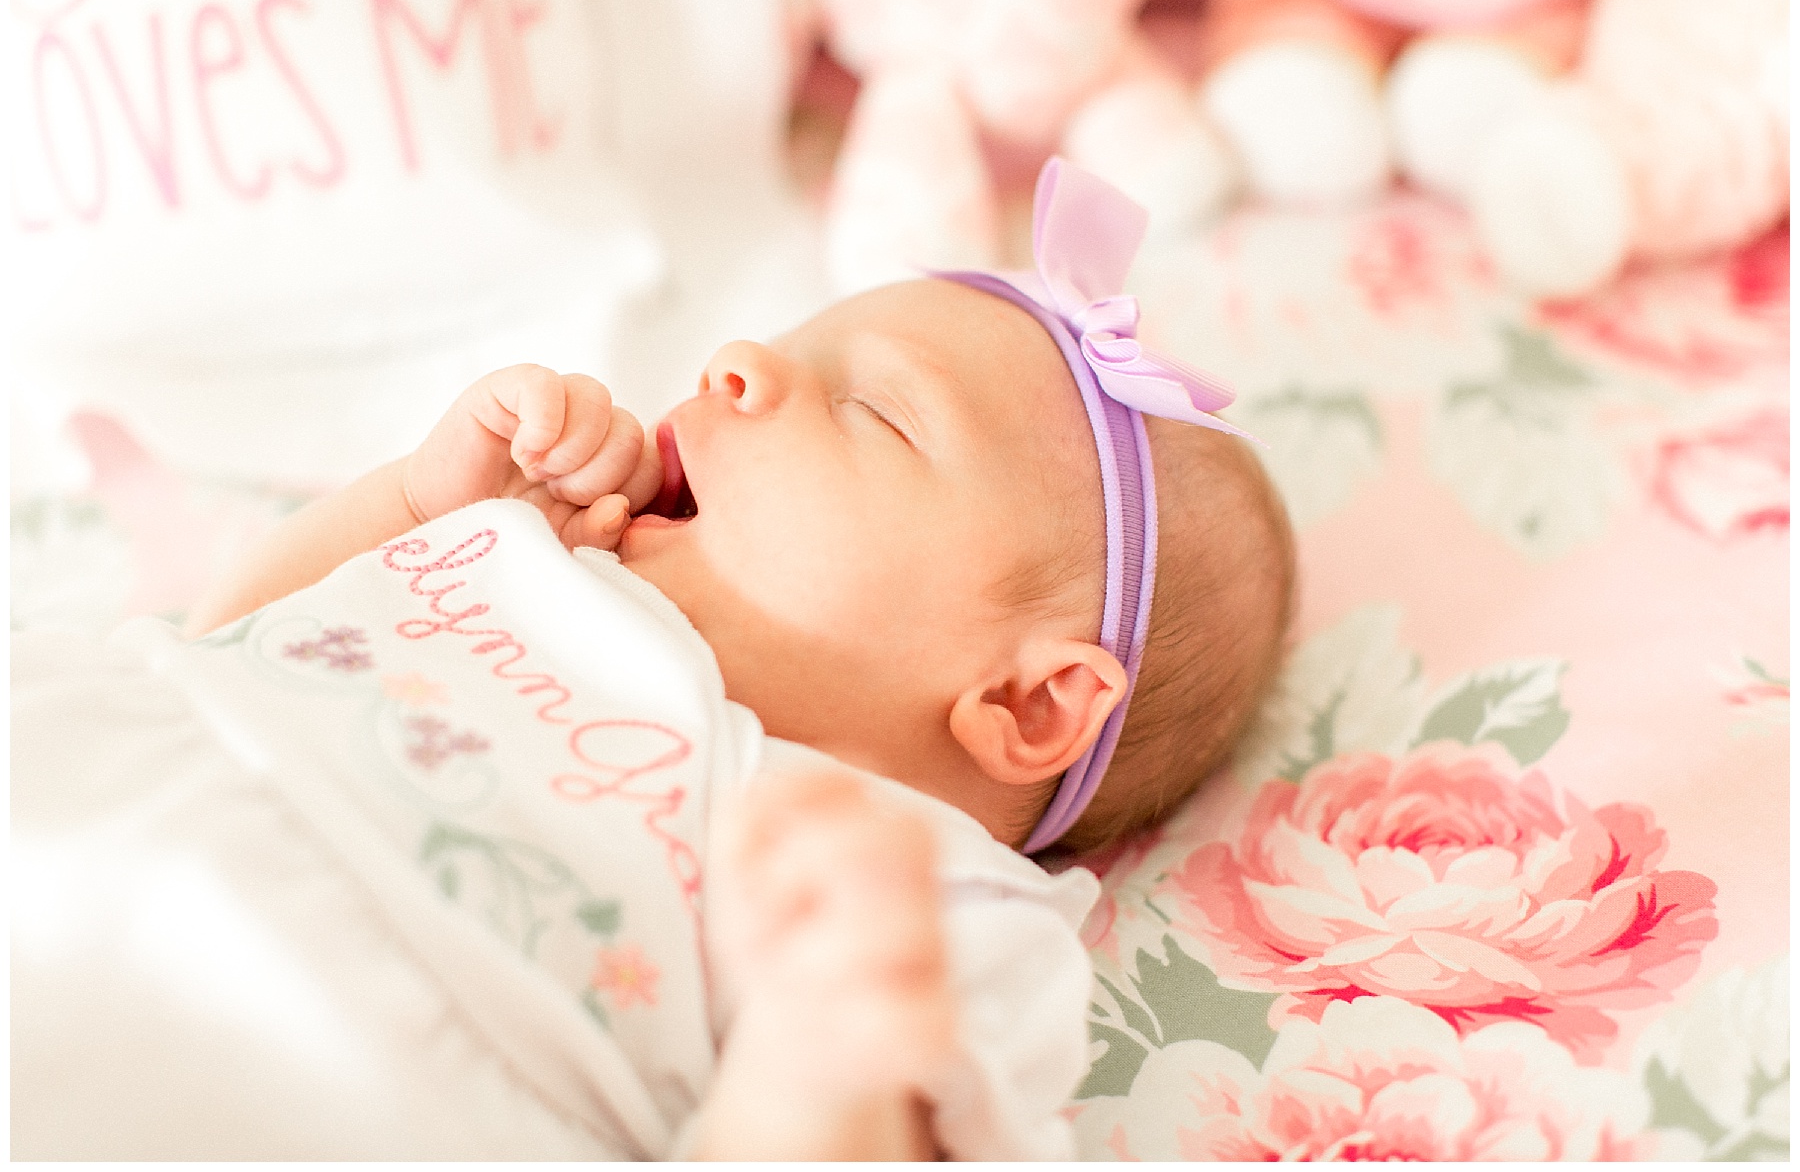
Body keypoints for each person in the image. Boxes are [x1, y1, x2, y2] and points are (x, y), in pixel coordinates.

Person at [10, 160, 1294, 1160]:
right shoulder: (525, 559)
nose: (738, 364)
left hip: (305, 1039)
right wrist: (415, 507)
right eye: (788, 343)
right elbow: (215, 651)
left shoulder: (914, 900)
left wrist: (823, 1058)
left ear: (1028, 698)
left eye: (876, 410)